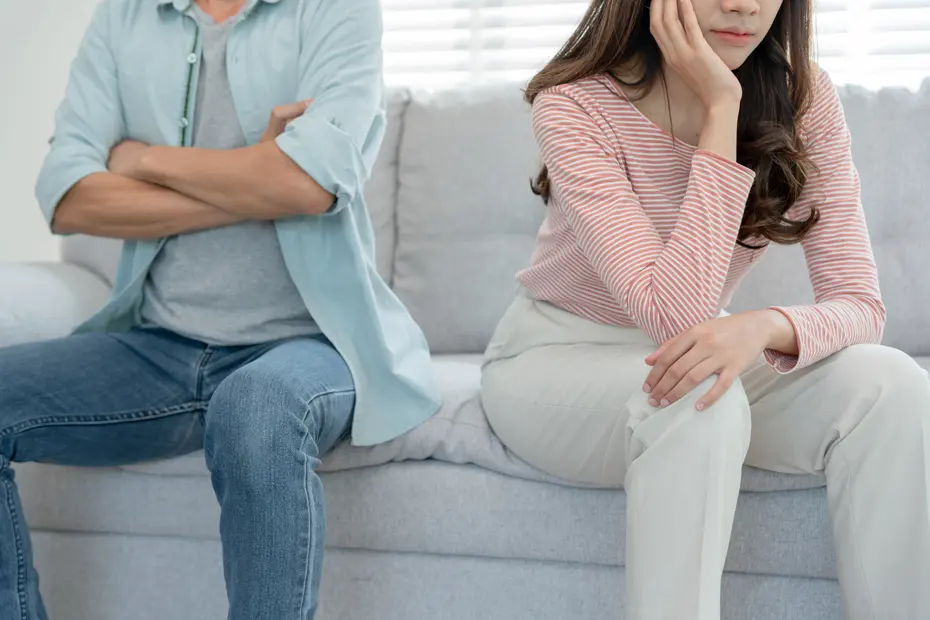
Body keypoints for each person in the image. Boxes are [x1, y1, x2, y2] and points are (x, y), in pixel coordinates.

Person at [479, 0, 930, 618]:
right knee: (699, 400)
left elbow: (860, 304)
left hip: (702, 349)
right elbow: (674, 317)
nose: (744, 5)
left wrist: (764, 326)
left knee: (894, 385)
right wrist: (722, 108)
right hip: (555, 358)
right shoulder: (575, 104)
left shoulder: (804, 96)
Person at [0, 0, 440, 618]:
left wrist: (144, 160)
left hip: (311, 343)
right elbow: (70, 196)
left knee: (256, 404)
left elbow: (309, 185)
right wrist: (258, 179)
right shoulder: (124, 17)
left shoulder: (334, 9)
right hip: (159, 345)